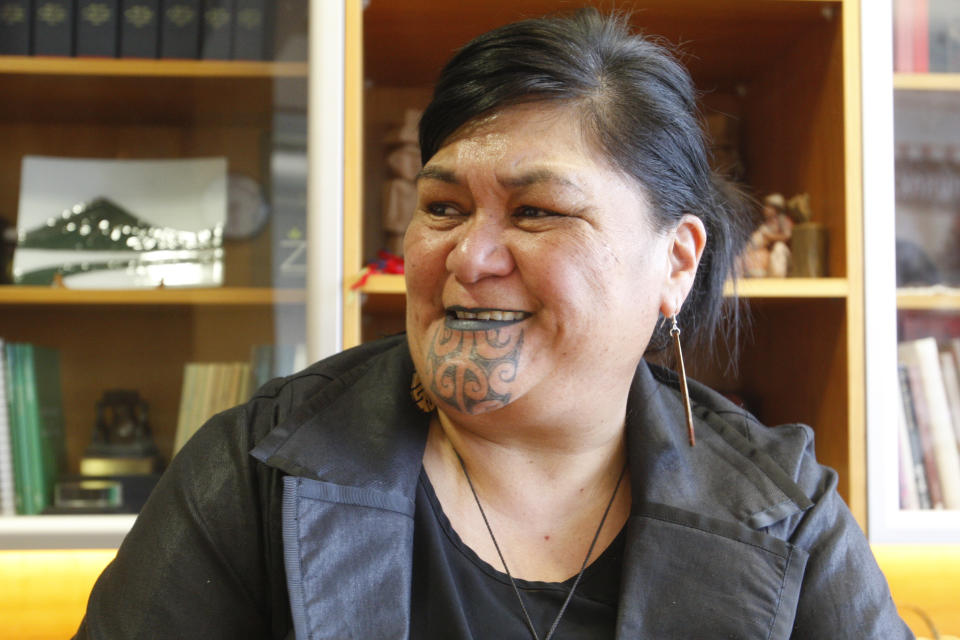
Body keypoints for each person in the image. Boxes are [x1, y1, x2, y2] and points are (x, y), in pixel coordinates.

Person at [74, 9, 912, 640]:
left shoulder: (785, 512)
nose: (467, 257)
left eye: (537, 210)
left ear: (677, 263)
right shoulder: (252, 475)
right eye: (442, 206)